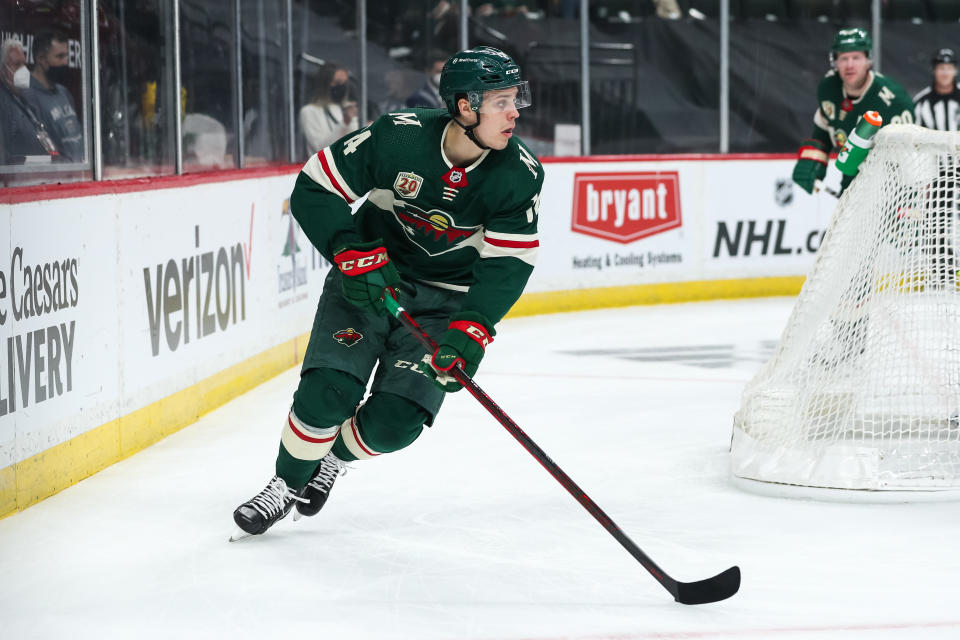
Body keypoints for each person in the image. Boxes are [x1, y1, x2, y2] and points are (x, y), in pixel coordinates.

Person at [233, 46, 544, 538]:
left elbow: (509, 263)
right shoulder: (397, 138)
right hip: (371, 282)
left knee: (395, 424)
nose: (515, 113)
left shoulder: (517, 175)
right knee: (327, 394)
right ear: (465, 107)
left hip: (445, 302)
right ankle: (284, 486)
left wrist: (475, 326)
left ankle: (332, 459)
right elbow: (315, 187)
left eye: (516, 99)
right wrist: (350, 253)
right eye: (502, 101)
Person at [792, 28, 914, 196]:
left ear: (868, 60)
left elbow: (908, 155)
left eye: (856, 57)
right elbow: (823, 129)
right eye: (843, 58)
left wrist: (908, 198)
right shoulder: (829, 88)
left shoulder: (894, 100)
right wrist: (812, 162)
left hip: (889, 192)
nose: (849, 65)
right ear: (835, 62)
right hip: (850, 188)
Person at [23, 31, 83, 162]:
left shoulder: (64, 92)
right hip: (57, 176)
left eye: (66, 56)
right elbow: (42, 147)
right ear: (41, 59)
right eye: (59, 56)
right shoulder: (28, 97)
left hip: (80, 172)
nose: (65, 62)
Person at [0, 38, 59, 164]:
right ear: (3, 71)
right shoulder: (3, 105)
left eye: (24, 64)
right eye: (17, 64)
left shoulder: (24, 100)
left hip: (44, 174)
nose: (23, 70)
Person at [298, 63, 359, 155]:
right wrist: (344, 123)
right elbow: (320, 148)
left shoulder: (348, 108)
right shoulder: (309, 111)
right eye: (338, 82)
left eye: (345, 83)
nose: (342, 86)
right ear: (325, 84)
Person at [913, 48, 960, 132]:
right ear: (934, 70)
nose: (945, 73)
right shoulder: (921, 101)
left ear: (955, 71)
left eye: (949, 68)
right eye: (941, 68)